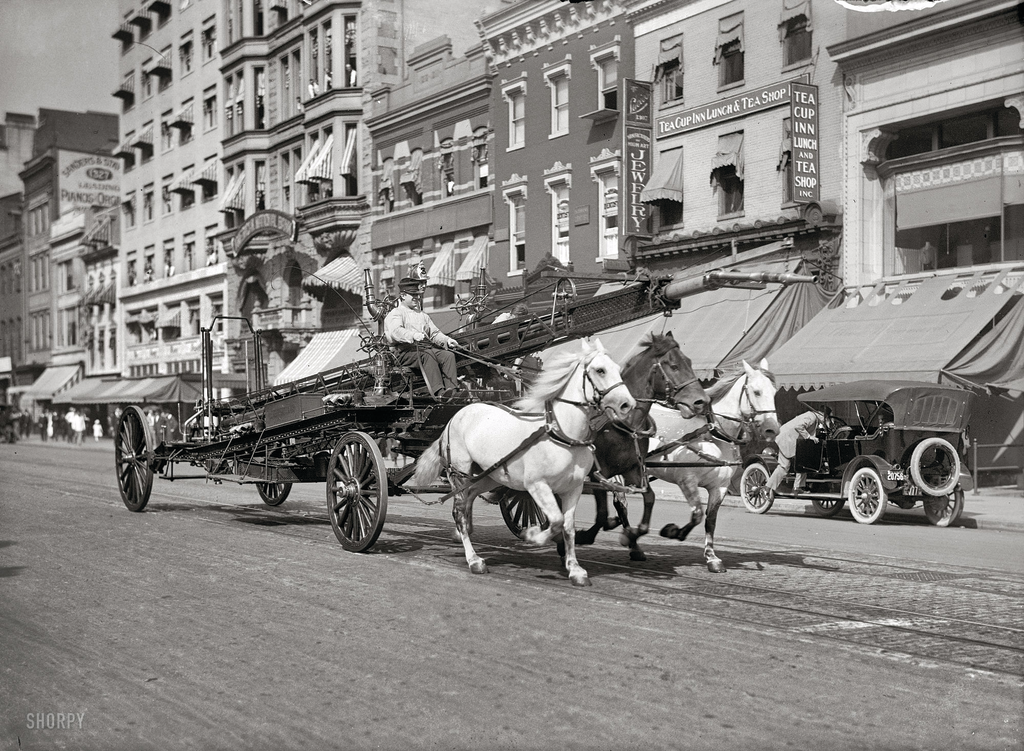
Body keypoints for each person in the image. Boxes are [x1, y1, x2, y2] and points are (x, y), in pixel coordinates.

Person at [384, 277, 462, 399]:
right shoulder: (396, 313)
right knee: (428, 355)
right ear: (403, 296)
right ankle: (439, 392)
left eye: (418, 295)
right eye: (413, 295)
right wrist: (413, 335)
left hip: (421, 350)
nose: (417, 297)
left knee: (448, 356)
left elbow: (434, 333)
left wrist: (447, 340)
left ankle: (453, 390)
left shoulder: (422, 315)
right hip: (403, 352)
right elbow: (396, 332)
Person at [765, 408, 828, 499]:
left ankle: (768, 487)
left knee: (784, 467)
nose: (824, 421)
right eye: (825, 418)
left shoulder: (812, 417)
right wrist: (809, 437)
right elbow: (799, 426)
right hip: (787, 439)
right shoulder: (812, 417)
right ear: (821, 414)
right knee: (803, 462)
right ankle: (796, 487)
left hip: (785, 438)